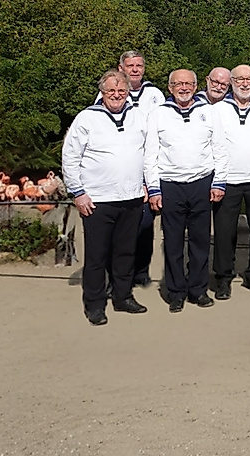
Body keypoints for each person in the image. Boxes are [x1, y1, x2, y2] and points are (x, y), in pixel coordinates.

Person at [63, 70, 151, 325]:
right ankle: (94, 304)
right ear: (102, 92)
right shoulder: (87, 118)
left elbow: (148, 152)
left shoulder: (138, 116)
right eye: (111, 90)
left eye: (121, 91)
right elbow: (70, 157)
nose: (116, 95)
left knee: (125, 253)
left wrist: (147, 184)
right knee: (96, 256)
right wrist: (78, 192)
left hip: (132, 198)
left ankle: (123, 297)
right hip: (98, 201)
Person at [145, 69, 228, 313]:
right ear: (170, 87)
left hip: (202, 183)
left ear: (195, 86)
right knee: (172, 242)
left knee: (200, 241)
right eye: (178, 84)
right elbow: (150, 154)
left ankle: (198, 290)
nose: (183, 88)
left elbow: (220, 149)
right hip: (170, 185)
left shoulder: (208, 112)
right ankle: (176, 292)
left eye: (188, 83)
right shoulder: (158, 114)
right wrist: (153, 189)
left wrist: (219, 182)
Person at [210, 65, 250, 299]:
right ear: (232, 82)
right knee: (225, 232)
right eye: (240, 79)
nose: (245, 83)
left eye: (249, 79)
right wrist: (217, 180)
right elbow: (214, 146)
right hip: (228, 180)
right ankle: (223, 278)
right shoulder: (218, 110)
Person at [104, 50, 164, 288]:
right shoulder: (111, 95)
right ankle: (117, 275)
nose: (135, 69)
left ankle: (140, 270)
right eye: (130, 65)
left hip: (147, 165)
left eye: (139, 65)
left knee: (145, 225)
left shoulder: (155, 94)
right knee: (118, 227)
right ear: (121, 68)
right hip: (120, 167)